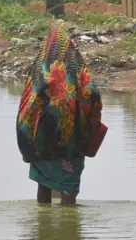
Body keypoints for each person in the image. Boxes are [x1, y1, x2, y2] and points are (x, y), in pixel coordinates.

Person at [16, 26, 103, 205]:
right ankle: (70, 227)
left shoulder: (38, 73)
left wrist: (26, 143)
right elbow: (92, 94)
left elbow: (25, 106)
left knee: (43, 183)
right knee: (69, 184)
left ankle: (43, 225)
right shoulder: (77, 70)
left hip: (40, 141)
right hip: (71, 138)